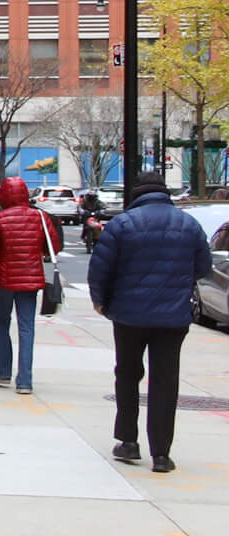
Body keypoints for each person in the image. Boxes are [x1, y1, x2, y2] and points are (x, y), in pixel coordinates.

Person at [87, 171, 212, 474]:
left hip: (129, 314)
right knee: (165, 381)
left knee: (128, 375)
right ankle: (161, 453)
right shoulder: (189, 224)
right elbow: (203, 267)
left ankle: (128, 441)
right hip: (172, 317)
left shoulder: (122, 224)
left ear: (137, 193)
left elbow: (101, 268)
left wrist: (101, 299)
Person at [0, 176, 61, 395]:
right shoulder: (40, 217)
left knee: (2, 322)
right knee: (27, 328)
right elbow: (55, 245)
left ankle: (2, 371)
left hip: (4, 280)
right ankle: (25, 380)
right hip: (31, 280)